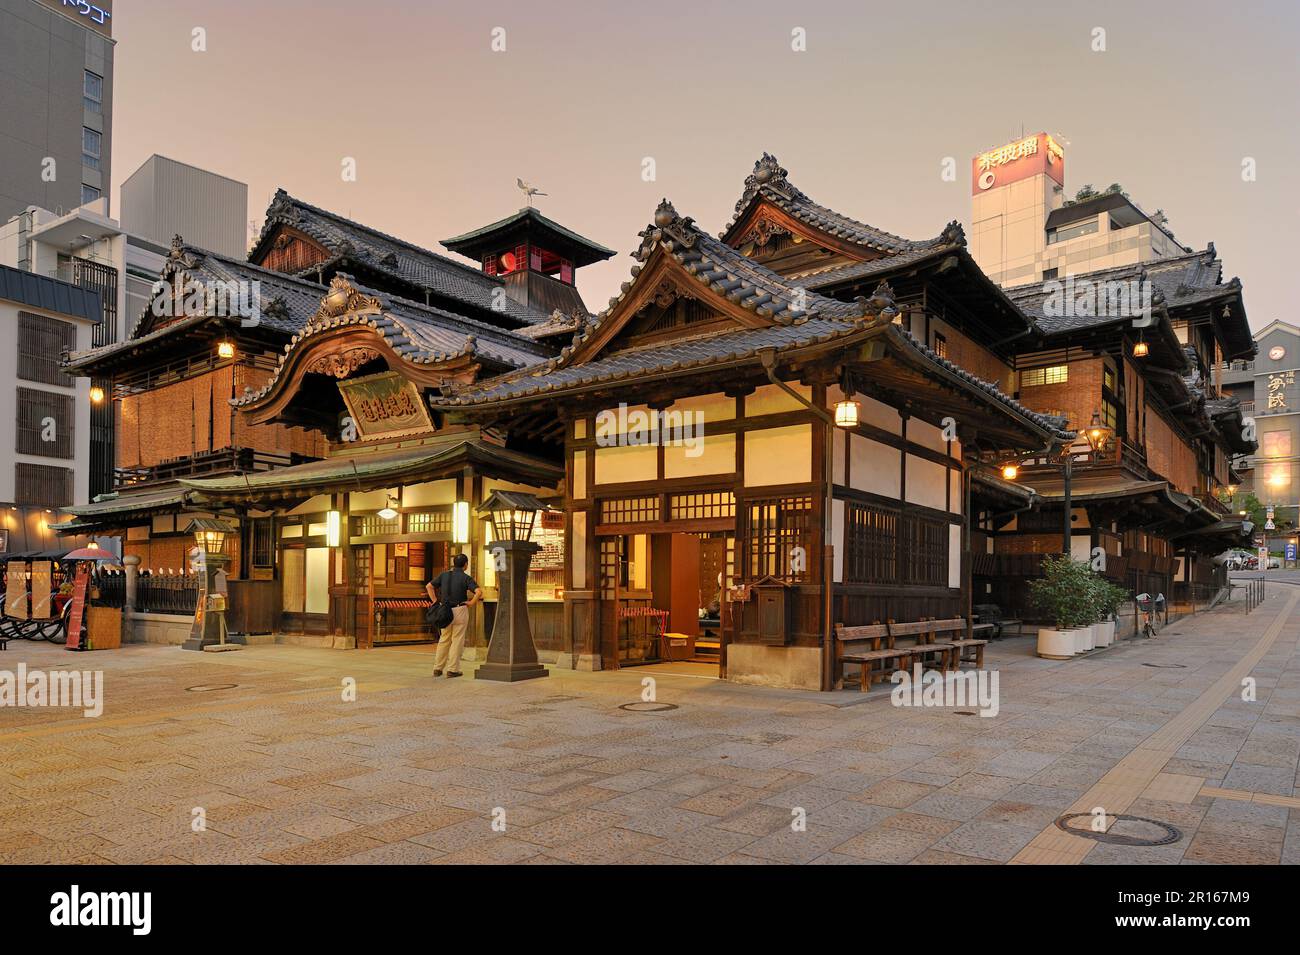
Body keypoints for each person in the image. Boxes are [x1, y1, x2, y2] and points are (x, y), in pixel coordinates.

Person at [426, 553, 481, 678]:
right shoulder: (466, 578)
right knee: (457, 640)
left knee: (444, 639)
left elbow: (429, 586)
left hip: (444, 610)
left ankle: (438, 668)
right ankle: (453, 669)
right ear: (465, 565)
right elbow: (478, 592)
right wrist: (471, 603)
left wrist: (435, 601)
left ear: (454, 563)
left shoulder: (444, 575)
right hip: (459, 610)